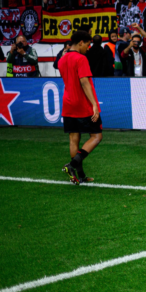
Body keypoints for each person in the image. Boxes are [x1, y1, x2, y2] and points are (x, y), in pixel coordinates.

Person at [58, 30, 102, 184]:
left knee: (73, 139)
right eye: (88, 44)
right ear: (81, 42)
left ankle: (80, 176)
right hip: (83, 104)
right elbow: (84, 82)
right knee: (96, 136)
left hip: (68, 103)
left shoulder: (62, 59)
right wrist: (94, 104)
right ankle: (72, 165)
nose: (88, 48)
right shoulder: (81, 58)